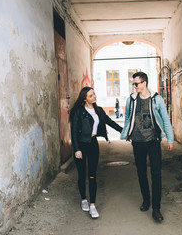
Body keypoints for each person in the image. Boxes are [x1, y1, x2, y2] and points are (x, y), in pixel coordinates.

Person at [120, 72, 174, 222]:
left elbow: (165, 119)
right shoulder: (131, 100)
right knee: (141, 172)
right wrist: (126, 133)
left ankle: (156, 208)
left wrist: (170, 138)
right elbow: (127, 118)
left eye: (136, 83)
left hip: (153, 141)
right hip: (137, 141)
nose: (134, 86)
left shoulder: (157, 99)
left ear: (144, 83)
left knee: (156, 174)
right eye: (133, 84)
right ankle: (146, 200)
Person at [70, 87, 123, 219]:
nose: (94, 96)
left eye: (94, 94)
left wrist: (124, 131)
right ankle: (84, 200)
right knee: (82, 174)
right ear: (85, 98)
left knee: (92, 175)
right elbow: (74, 132)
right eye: (91, 95)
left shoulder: (98, 110)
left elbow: (109, 122)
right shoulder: (78, 111)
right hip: (81, 145)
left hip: (93, 144)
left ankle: (92, 205)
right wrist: (76, 149)